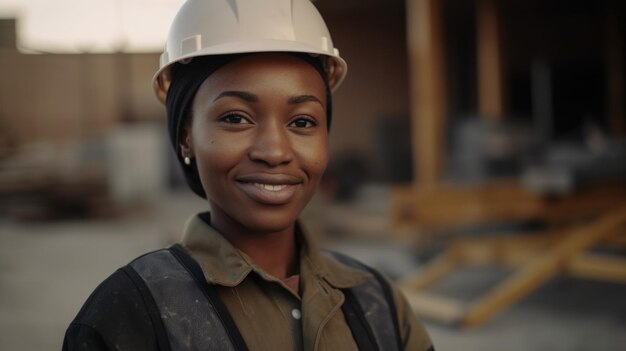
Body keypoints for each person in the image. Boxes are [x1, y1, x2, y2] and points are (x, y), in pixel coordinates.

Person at [63, 0, 434, 350]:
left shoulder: (378, 303)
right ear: (185, 136)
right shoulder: (130, 312)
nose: (274, 152)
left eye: (302, 121)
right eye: (235, 118)